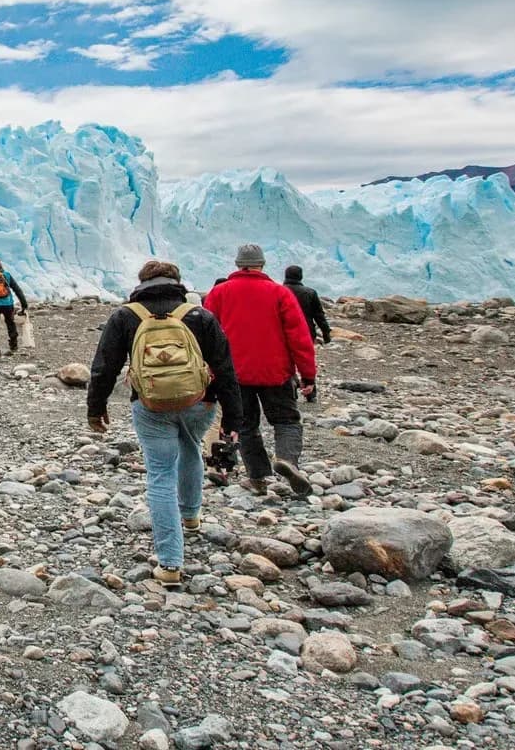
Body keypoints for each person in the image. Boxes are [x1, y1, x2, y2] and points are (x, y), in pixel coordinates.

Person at [85, 260, 239, 588]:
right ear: (177, 282)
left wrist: (95, 409)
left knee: (160, 474)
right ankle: (191, 516)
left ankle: (170, 564)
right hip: (200, 402)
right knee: (191, 447)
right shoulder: (199, 315)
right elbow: (225, 368)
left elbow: (104, 368)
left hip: (151, 404)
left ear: (141, 283)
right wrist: (234, 418)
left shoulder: (126, 316)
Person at [204, 244, 318, 497]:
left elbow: (206, 335)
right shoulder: (279, 293)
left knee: (246, 426)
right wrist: (307, 374)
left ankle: (257, 477)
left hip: (234, 373)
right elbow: (299, 337)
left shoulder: (219, 293)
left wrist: (210, 371)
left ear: (237, 264)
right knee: (286, 420)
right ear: (262, 264)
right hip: (275, 371)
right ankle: (287, 460)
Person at [282, 265, 332, 345]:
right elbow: (319, 315)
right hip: (306, 331)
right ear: (300, 276)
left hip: (282, 332)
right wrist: (326, 333)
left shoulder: (278, 292)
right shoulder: (310, 292)